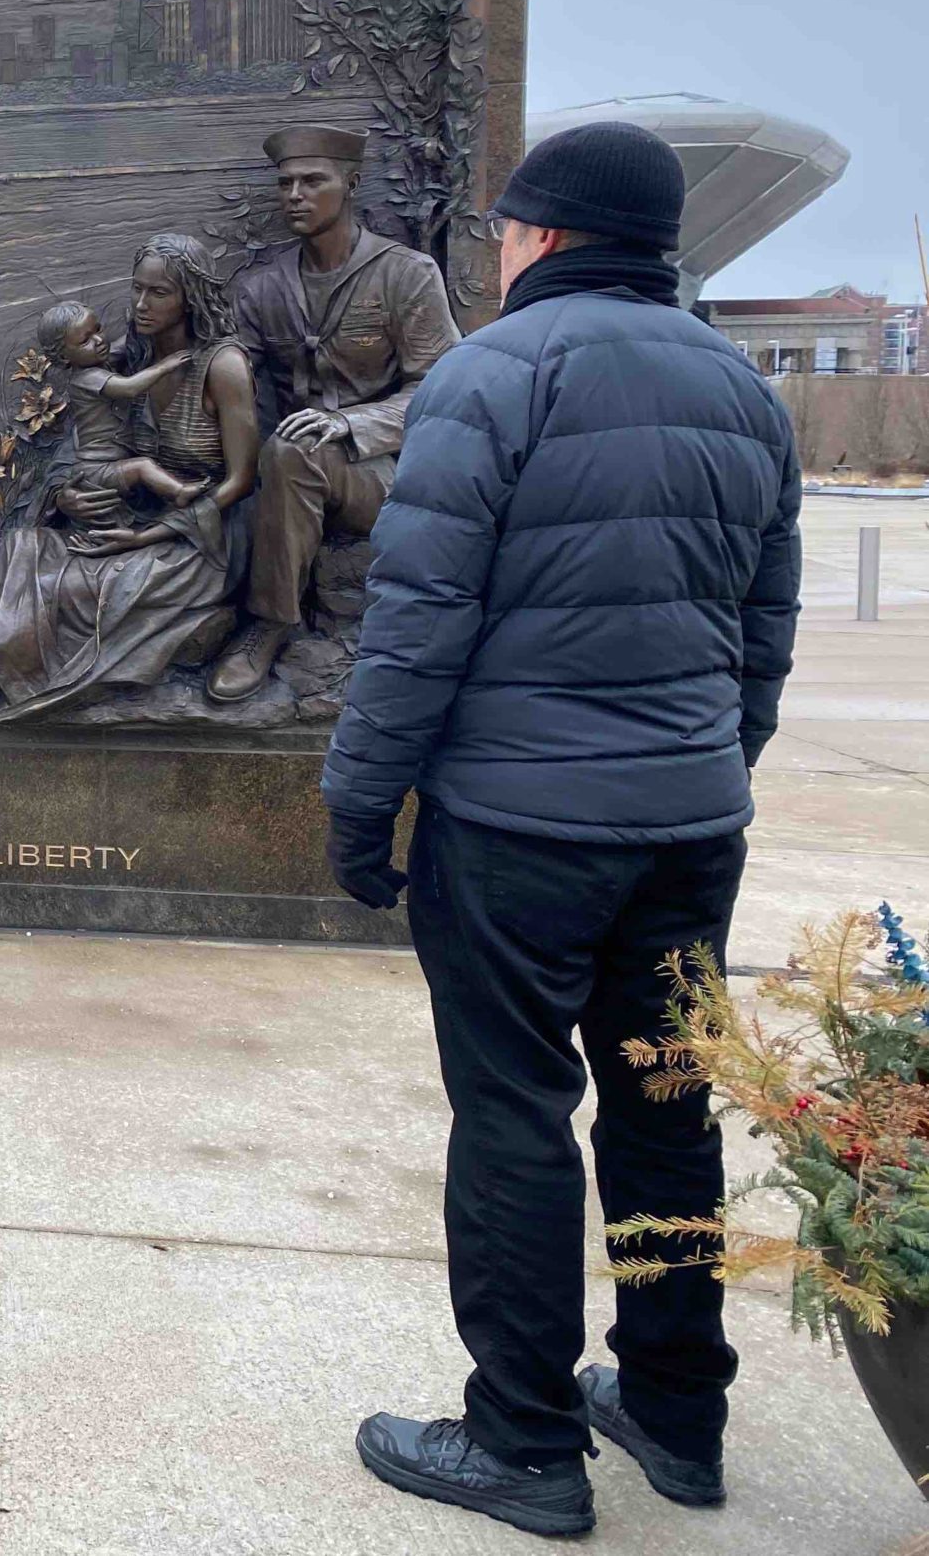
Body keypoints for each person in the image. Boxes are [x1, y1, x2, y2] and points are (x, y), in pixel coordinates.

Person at [328, 122, 801, 1539]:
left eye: (505, 225)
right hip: (686, 827)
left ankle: (523, 1437)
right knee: (665, 1109)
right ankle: (671, 1404)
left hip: (520, 833)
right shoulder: (744, 386)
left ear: (542, 235)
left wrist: (361, 803)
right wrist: (706, 769)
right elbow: (761, 638)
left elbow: (414, 622)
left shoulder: (490, 375)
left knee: (517, 1114)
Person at [0, 236, 257, 723]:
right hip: (128, 523)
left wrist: (143, 536)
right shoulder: (125, 359)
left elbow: (241, 483)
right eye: (137, 289)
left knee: (58, 586)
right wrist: (66, 495)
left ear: (191, 297)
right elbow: (79, 444)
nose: (140, 305)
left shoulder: (223, 367)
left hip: (193, 544)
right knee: (22, 549)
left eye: (158, 293)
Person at [207, 124, 459, 702]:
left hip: (381, 476)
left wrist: (351, 424)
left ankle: (270, 624)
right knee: (282, 453)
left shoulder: (406, 274)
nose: (295, 194)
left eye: (312, 181)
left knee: (294, 450)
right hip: (286, 475)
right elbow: (231, 383)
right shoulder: (261, 287)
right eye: (285, 183)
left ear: (351, 184)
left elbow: (442, 390)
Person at [35, 297, 202, 513]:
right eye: (85, 341)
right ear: (64, 358)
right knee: (143, 467)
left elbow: (122, 347)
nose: (99, 340)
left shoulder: (99, 361)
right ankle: (179, 493)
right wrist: (163, 367)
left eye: (98, 329)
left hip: (109, 462)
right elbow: (129, 387)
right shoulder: (88, 378)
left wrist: (139, 327)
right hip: (99, 468)